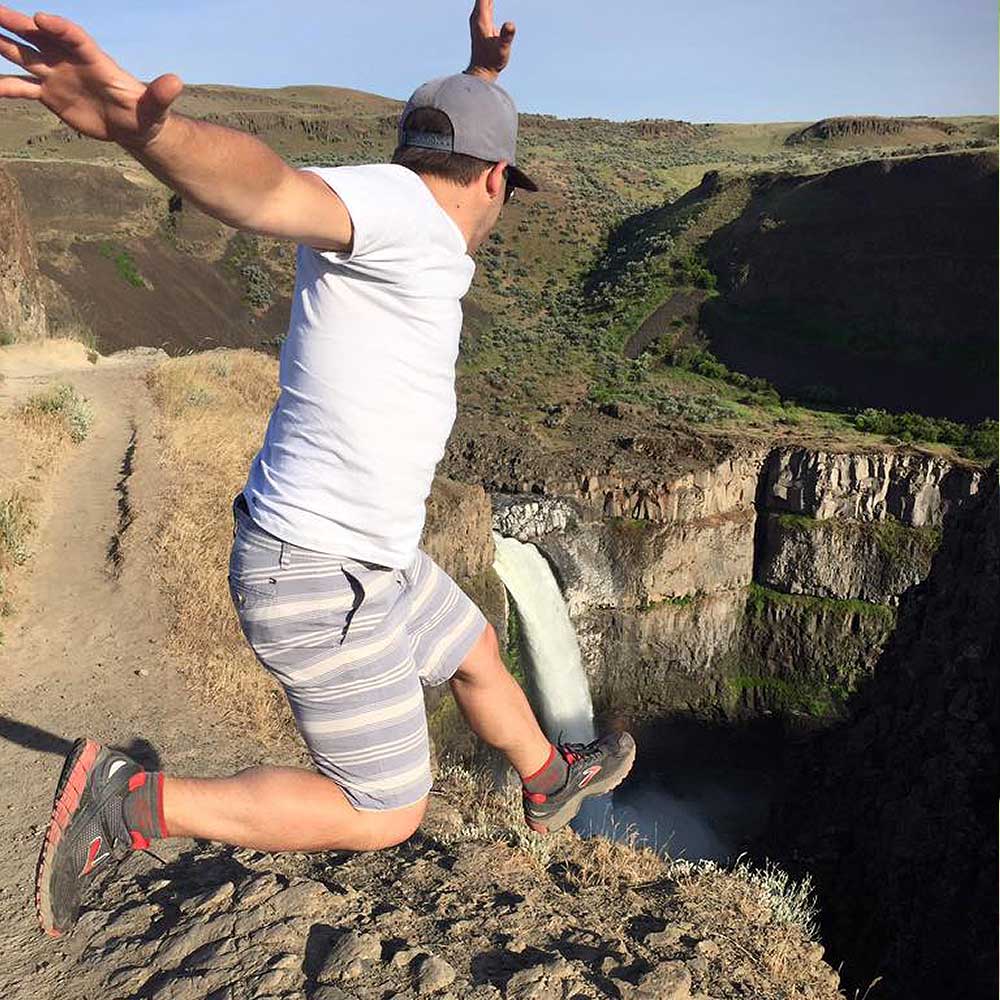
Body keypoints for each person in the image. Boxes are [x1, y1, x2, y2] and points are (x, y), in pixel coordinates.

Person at [0, 1, 636, 938]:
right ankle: (131, 803)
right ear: (497, 180)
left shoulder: (411, 208)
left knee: (473, 648)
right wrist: (154, 134)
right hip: (319, 572)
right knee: (385, 812)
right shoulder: (402, 210)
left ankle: (549, 777)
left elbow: (437, 145)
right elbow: (265, 190)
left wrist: (478, 79)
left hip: (363, 555)